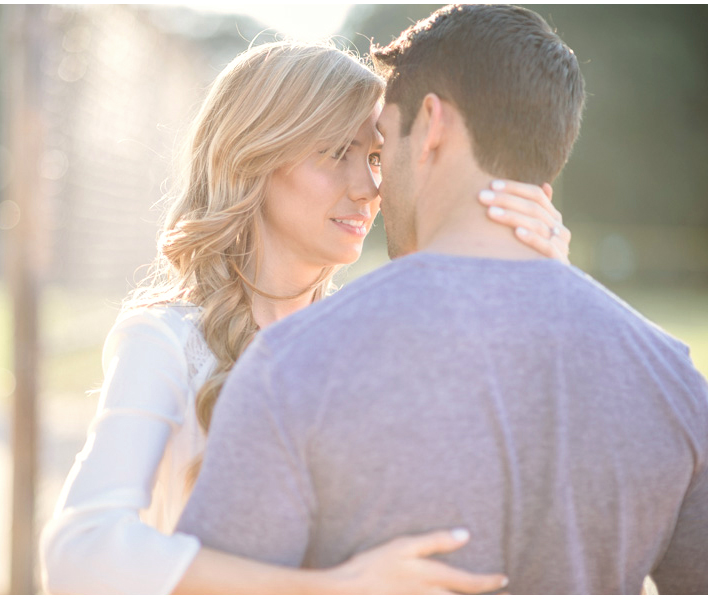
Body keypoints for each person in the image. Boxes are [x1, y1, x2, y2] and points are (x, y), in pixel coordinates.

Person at [176, 5, 708, 596]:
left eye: (383, 143)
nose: (377, 185)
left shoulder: (296, 362)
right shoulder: (671, 378)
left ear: (430, 125)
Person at [40, 39, 572, 595]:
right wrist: (336, 586)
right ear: (254, 156)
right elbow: (79, 553)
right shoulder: (166, 340)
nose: (370, 189)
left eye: (372, 156)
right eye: (335, 151)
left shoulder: (370, 337)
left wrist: (543, 282)